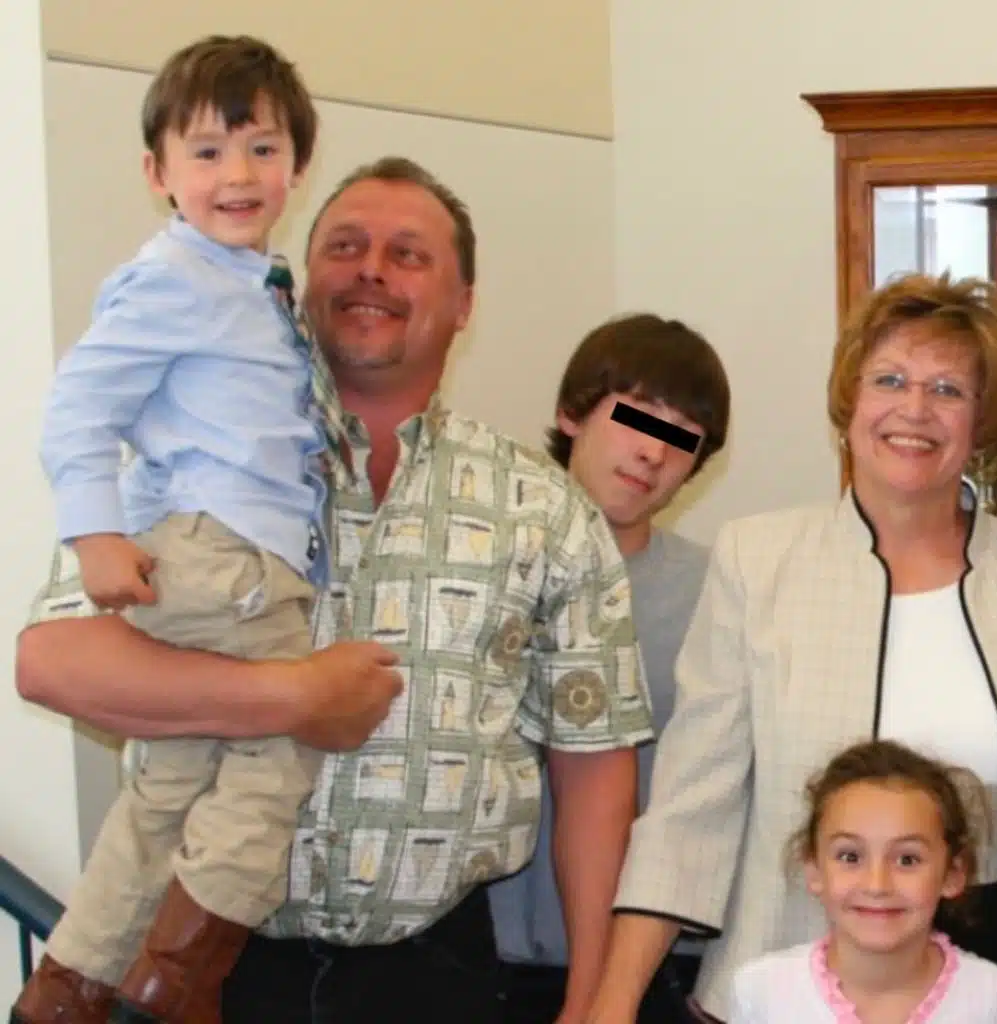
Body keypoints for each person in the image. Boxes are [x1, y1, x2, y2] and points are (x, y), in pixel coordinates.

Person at [14, 155, 654, 1024]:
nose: (372, 271)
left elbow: (594, 765)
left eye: (408, 254)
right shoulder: (183, 463)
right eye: (345, 247)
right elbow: (52, 664)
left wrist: (594, 1001)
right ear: (298, 286)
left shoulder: (543, 508)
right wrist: (294, 697)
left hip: (438, 979)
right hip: (204, 976)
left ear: (465, 303)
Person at [11, 35, 371, 1024]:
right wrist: (94, 535)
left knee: (166, 789)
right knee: (280, 752)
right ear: (157, 173)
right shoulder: (177, 276)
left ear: (298, 165)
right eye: (207, 152)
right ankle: (177, 979)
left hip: (225, 556)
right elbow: (76, 410)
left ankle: (66, 989)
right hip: (227, 559)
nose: (237, 174)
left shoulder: (254, 283)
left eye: (261, 148)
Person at [588, 272, 997, 1023]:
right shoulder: (758, 561)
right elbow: (691, 808)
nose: (915, 409)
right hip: (785, 983)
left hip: (987, 981)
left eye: (948, 389)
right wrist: (612, 1004)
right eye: (890, 380)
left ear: (980, 421)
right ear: (849, 402)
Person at [488, 312, 730, 1023]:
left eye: (683, 437)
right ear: (572, 413)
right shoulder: (480, 570)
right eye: (637, 417)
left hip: (654, 967)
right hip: (480, 954)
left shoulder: (716, 593)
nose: (653, 452)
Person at [729, 739, 997, 1022]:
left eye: (907, 859)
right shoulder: (762, 993)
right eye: (850, 857)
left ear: (953, 873)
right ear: (814, 869)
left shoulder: (989, 995)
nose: (877, 885)